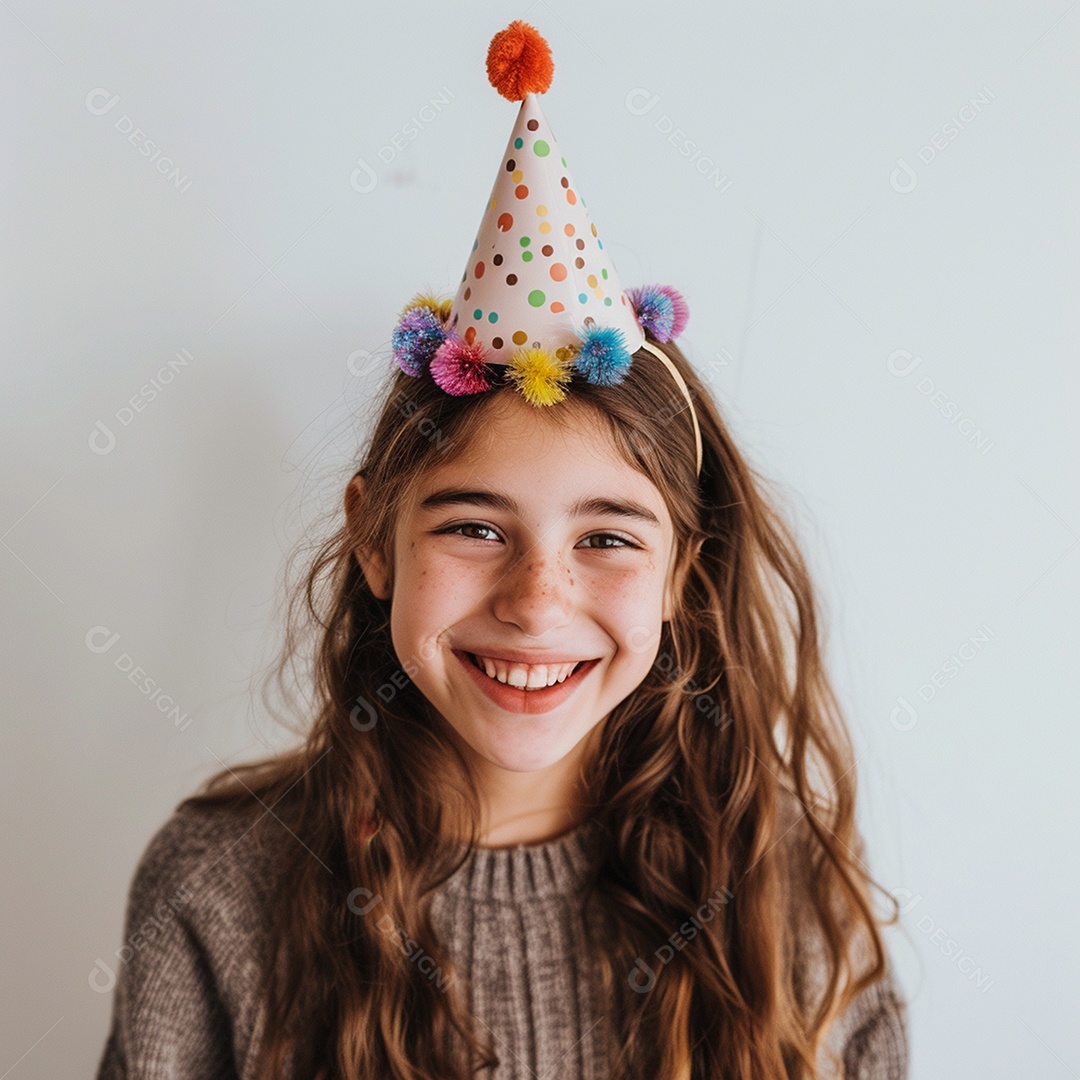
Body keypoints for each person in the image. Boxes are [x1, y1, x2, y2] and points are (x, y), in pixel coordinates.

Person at [94, 20, 909, 1080]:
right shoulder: (219, 894)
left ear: (684, 576)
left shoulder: (788, 911)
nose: (537, 600)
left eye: (608, 537)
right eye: (476, 528)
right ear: (375, 542)